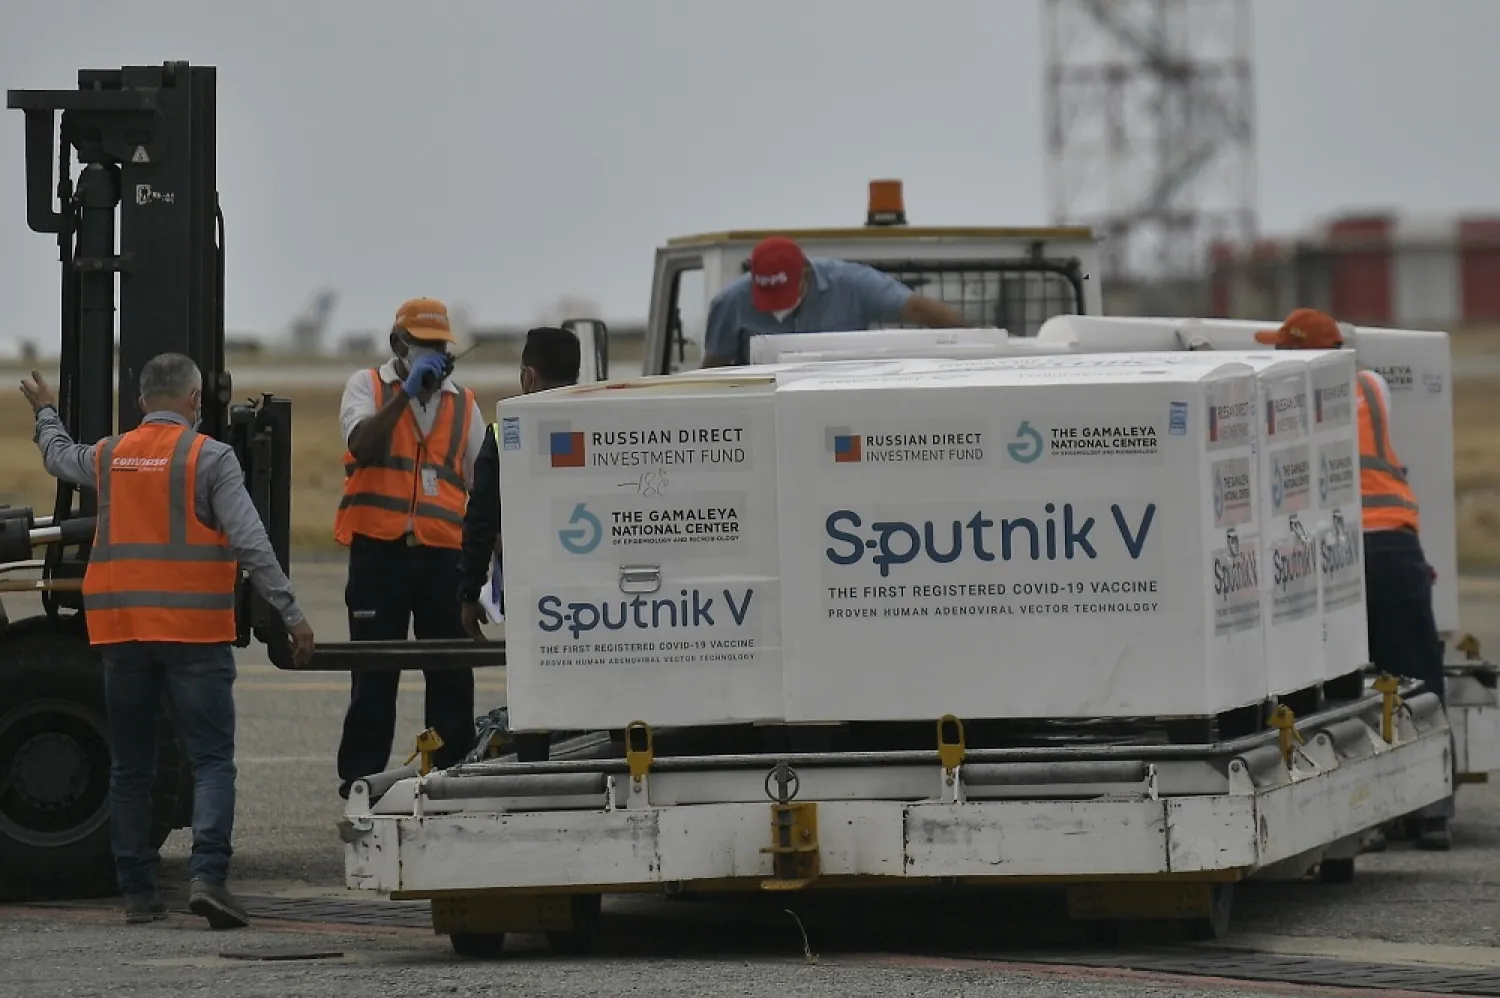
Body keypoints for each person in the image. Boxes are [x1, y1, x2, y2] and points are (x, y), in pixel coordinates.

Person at [19, 353, 316, 929]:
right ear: (196, 401)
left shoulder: (110, 454)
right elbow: (252, 542)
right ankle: (208, 877)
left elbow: (59, 457)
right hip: (194, 636)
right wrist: (292, 614)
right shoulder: (210, 457)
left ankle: (137, 892)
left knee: (131, 766)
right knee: (210, 761)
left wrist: (47, 411)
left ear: (140, 403)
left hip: (123, 634)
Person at [1255, 307, 1453, 850]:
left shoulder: (1286, 399)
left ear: (1300, 354)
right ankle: (1432, 812)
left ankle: (1365, 813)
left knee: (1344, 687)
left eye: (1281, 349)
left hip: (1336, 551)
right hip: (1395, 544)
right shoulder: (1371, 385)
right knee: (1417, 676)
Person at [334, 297, 487, 799]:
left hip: (443, 557)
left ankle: (451, 776)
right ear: (398, 343)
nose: (433, 353)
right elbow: (362, 445)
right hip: (379, 554)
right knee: (374, 676)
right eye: (423, 345)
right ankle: (361, 782)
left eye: (440, 346)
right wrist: (405, 395)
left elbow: (479, 484)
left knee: (450, 674)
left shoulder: (464, 403)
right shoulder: (368, 387)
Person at [457, 327, 582, 640]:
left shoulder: (505, 437)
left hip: (532, 594)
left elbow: (481, 521)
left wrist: (470, 594)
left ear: (528, 376)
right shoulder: (596, 429)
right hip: (592, 594)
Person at [701, 235, 971, 367]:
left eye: (783, 295)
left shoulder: (853, 284)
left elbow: (917, 308)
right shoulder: (730, 303)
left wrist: (973, 348)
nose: (777, 307)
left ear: (806, 273)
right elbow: (713, 371)